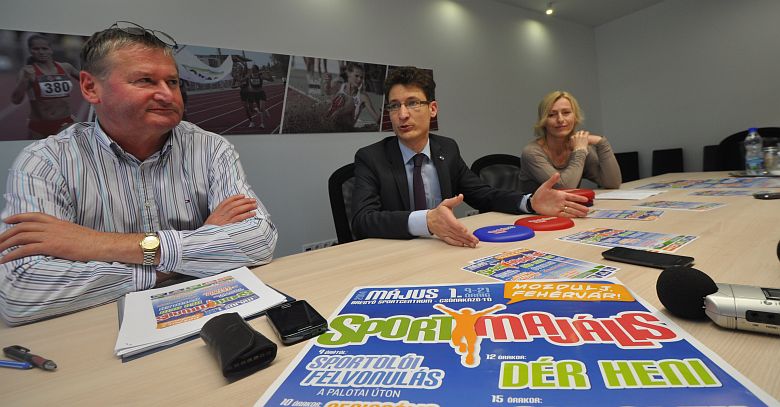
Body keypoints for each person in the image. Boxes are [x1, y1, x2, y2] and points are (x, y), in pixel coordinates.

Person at [0, 22, 277, 326]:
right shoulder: (46, 161)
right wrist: (182, 257)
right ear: (90, 87)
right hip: (99, 330)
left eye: (172, 82)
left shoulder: (211, 148)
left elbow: (258, 240)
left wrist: (98, 244)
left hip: (210, 315)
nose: (168, 95)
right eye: (145, 80)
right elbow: (19, 290)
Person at [351, 66, 588, 248]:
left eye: (413, 103)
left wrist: (529, 202)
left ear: (432, 109)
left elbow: (484, 195)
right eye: (394, 106)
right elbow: (362, 220)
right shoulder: (371, 157)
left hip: (444, 248)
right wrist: (427, 221)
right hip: (395, 255)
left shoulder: (446, 149)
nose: (402, 114)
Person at [518, 91, 621, 191]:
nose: (560, 119)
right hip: (536, 204)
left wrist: (601, 142)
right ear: (543, 121)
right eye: (552, 114)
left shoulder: (580, 146)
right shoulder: (531, 152)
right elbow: (564, 188)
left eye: (566, 113)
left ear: (575, 117)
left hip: (568, 203)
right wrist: (579, 151)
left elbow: (613, 183)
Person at [10, 34, 81, 140]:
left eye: (44, 48)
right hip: (39, 126)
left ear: (51, 50)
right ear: (30, 50)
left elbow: (88, 81)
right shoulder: (27, 72)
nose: (41, 52)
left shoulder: (66, 67)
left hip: (65, 122)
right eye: (36, 49)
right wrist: (24, 79)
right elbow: (16, 100)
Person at [323, 62, 380, 131]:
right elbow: (328, 92)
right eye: (356, 76)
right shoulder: (338, 86)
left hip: (346, 129)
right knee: (330, 101)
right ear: (349, 74)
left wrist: (384, 115)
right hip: (330, 124)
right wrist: (327, 82)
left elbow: (376, 118)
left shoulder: (363, 97)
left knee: (350, 102)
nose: (359, 80)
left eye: (361, 77)